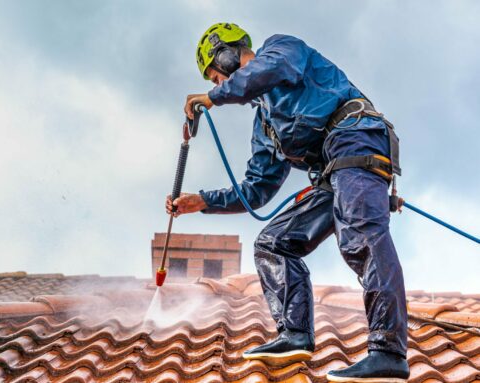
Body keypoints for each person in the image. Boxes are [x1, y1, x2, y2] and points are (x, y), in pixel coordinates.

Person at [166, 22, 410, 382]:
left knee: (360, 235)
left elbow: (271, 70)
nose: (217, 85)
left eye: (216, 75)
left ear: (229, 53)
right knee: (273, 243)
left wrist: (213, 98)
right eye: (214, 83)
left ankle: (388, 351)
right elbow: (256, 190)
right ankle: (294, 334)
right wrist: (200, 201)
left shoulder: (280, 50)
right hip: (333, 172)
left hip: (357, 141)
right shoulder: (265, 124)